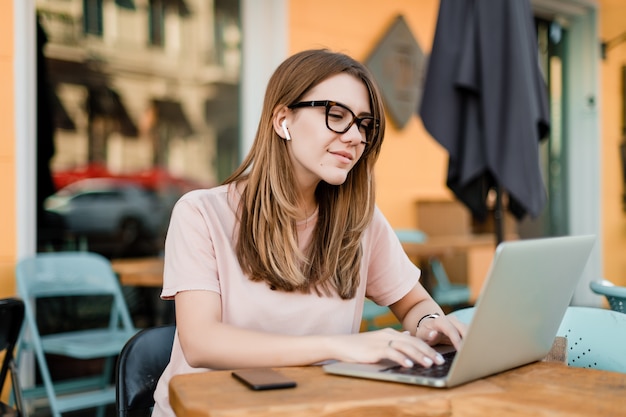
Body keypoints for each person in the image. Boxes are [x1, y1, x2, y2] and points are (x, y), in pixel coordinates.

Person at [152, 49, 466, 417]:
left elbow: (414, 304)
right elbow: (201, 342)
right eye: (336, 116)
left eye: (364, 125)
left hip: (318, 408)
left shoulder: (360, 222)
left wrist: (430, 325)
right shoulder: (201, 213)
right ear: (283, 119)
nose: (354, 137)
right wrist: (341, 347)